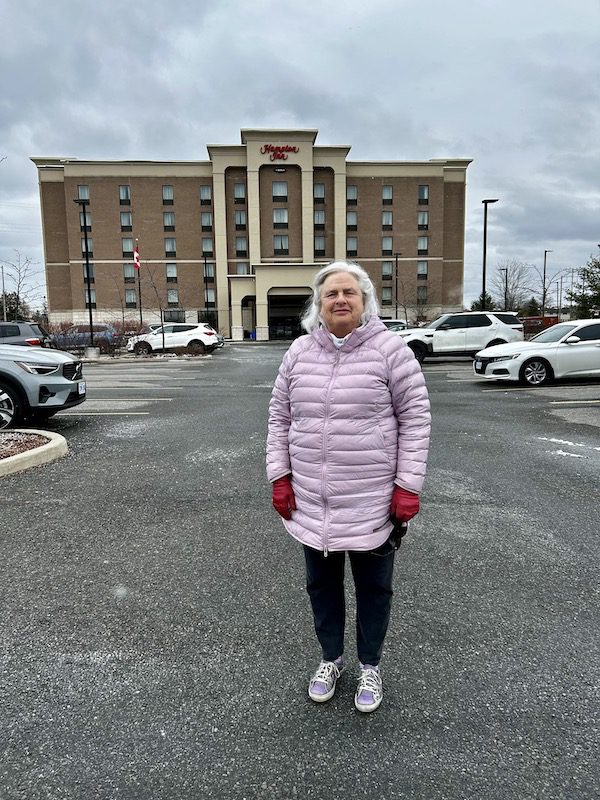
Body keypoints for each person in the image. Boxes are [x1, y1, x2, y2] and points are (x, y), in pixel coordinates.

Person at [267, 260, 431, 713]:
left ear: (364, 301)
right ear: (318, 305)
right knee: (321, 586)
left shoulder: (390, 350)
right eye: (330, 294)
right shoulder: (299, 352)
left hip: (372, 501)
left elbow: (416, 420)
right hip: (312, 501)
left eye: (349, 293)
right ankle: (331, 659)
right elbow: (280, 418)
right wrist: (280, 476)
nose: (340, 300)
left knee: (374, 588)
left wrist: (407, 485)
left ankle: (370, 667)